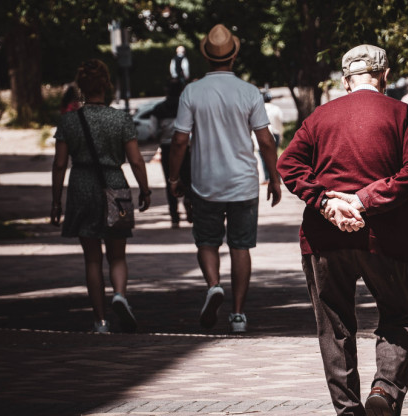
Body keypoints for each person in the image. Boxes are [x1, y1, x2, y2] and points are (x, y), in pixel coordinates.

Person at [277, 44, 408, 416]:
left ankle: (347, 410)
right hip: (387, 237)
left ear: (346, 80)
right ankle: (385, 389)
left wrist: (328, 203)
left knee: (334, 326)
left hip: (323, 238)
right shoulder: (401, 113)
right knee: (401, 314)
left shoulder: (319, 117)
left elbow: (288, 164)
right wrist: (364, 199)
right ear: (386, 75)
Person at [168, 24, 282, 333]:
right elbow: (267, 141)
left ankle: (214, 286)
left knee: (206, 241)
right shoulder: (248, 92)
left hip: (205, 183)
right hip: (244, 183)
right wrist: (274, 178)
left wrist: (173, 177)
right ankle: (238, 315)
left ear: (206, 57)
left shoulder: (192, 91)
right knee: (240, 247)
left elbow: (179, 141)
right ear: (233, 57)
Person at [50, 59, 152, 334]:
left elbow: (60, 164)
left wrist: (56, 200)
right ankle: (119, 294)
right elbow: (135, 160)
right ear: (107, 85)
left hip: (82, 186)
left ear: (80, 87)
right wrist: (144, 189)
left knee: (92, 258)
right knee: (117, 255)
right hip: (114, 186)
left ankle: (101, 321)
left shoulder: (69, 120)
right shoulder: (120, 118)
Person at [153, 80, 192, 228]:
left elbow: (153, 130)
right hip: (186, 148)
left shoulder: (159, 109)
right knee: (188, 178)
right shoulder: (186, 107)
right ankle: (189, 201)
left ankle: (174, 216)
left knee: (171, 180)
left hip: (167, 148)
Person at [260, 91, 284, 184]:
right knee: (274, 156)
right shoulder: (276, 109)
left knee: (263, 156)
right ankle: (276, 177)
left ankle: (267, 177)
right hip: (275, 133)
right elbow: (280, 123)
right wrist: (280, 135)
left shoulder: (260, 109)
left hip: (263, 133)